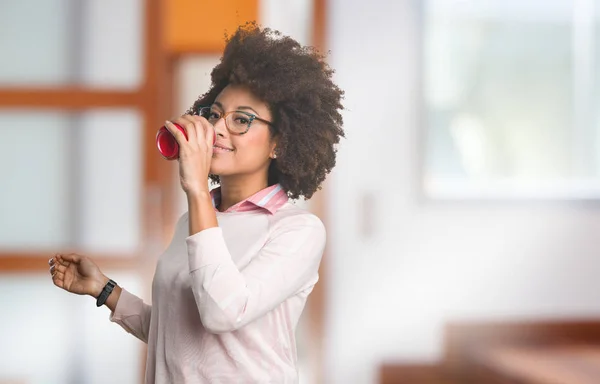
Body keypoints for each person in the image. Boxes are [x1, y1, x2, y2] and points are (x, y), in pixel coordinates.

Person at [48, 22, 344, 383]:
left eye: (241, 120)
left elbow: (222, 313)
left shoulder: (297, 230)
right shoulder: (194, 219)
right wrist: (104, 289)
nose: (218, 129)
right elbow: (176, 334)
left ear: (279, 143)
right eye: (215, 114)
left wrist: (197, 189)